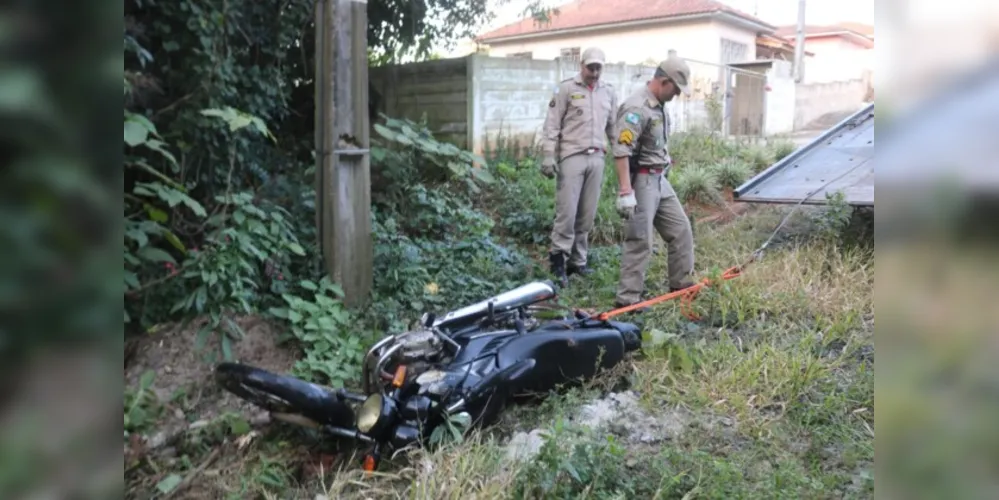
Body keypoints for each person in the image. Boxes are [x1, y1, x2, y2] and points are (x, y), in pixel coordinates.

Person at [611, 54, 696, 309]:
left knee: (681, 230)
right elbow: (621, 150)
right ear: (663, 81)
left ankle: (681, 287)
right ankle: (627, 301)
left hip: (659, 180)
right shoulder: (636, 108)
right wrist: (626, 191)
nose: (677, 95)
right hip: (642, 182)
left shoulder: (657, 105)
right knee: (640, 240)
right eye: (676, 89)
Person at [540, 47, 618, 284]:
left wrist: (623, 155)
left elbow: (613, 127)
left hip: (597, 158)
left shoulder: (609, 92)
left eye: (598, 68)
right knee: (567, 212)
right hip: (572, 156)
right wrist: (547, 155)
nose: (594, 73)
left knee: (587, 214)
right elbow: (552, 124)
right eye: (590, 67)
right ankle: (558, 261)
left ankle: (578, 262)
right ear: (581, 65)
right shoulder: (566, 89)